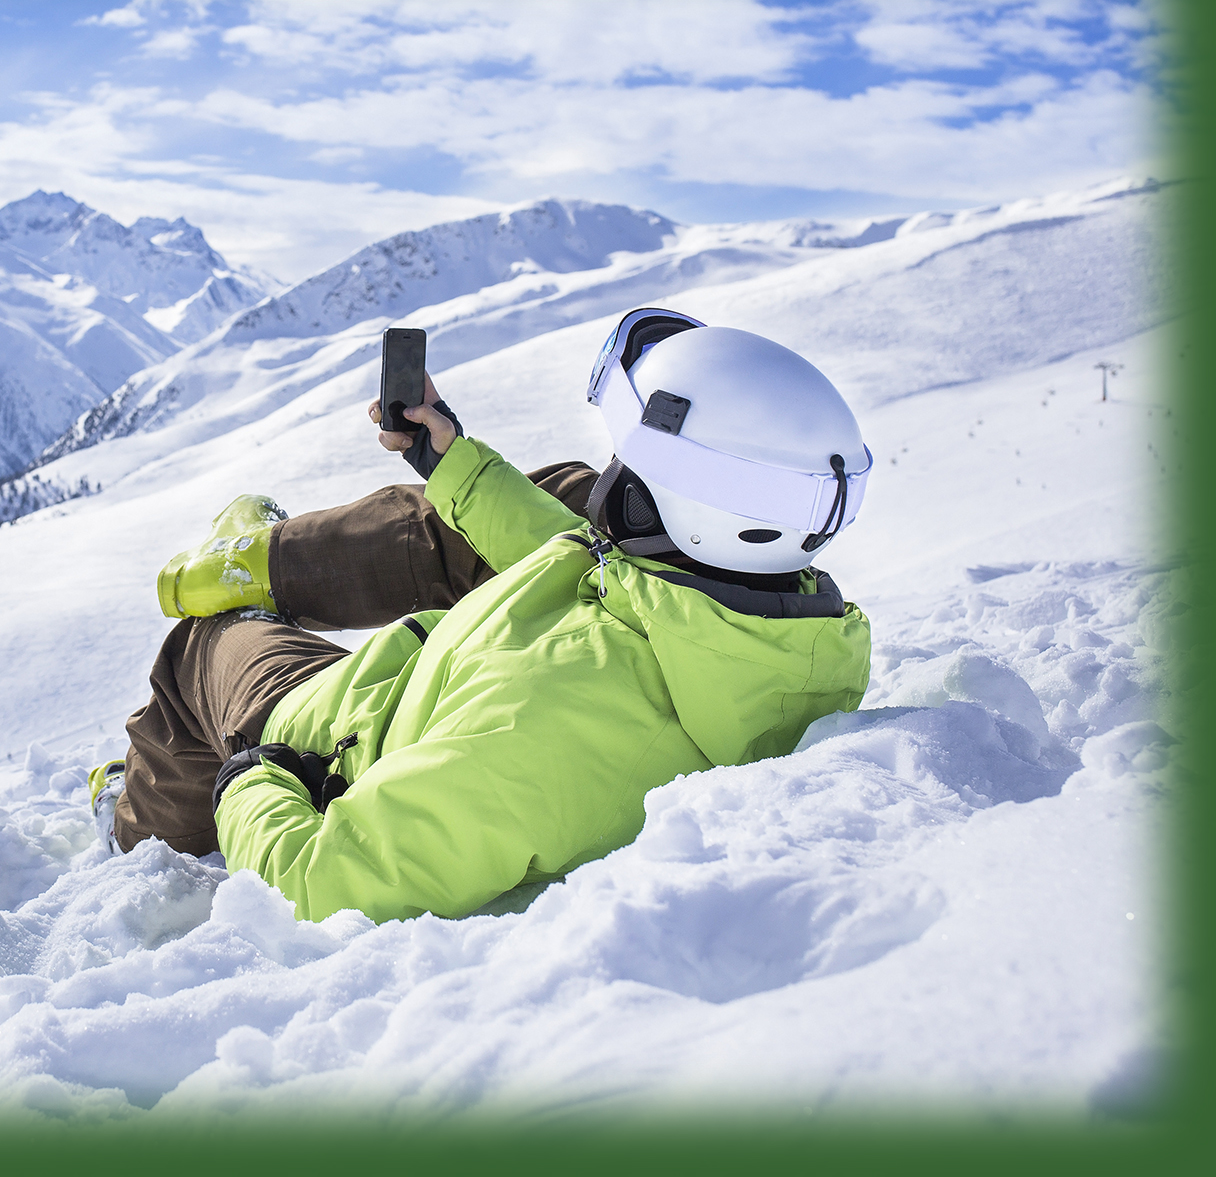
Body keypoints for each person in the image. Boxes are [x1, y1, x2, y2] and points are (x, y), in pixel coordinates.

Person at [89, 308, 875, 924]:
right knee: (549, 501)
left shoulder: (534, 735)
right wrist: (448, 459)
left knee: (201, 649)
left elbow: (327, 884)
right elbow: (574, 553)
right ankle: (265, 563)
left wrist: (251, 784)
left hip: (335, 744)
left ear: (655, 506)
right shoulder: (752, 625)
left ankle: (135, 816)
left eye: (628, 469)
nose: (614, 478)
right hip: (427, 687)